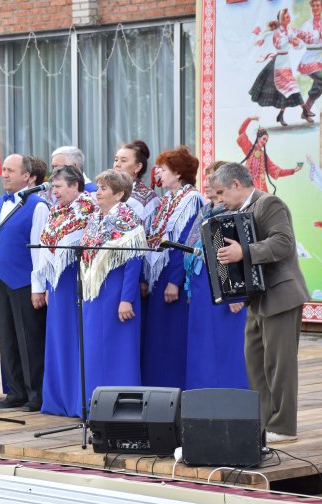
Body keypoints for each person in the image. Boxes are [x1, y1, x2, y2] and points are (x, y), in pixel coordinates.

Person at [212, 162, 309, 443]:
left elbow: (283, 243)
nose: (219, 200)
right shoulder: (240, 212)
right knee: (255, 361)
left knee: (280, 364)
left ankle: (284, 425)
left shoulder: (269, 203)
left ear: (236, 185)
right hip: (258, 298)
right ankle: (265, 421)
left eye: (221, 193)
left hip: (281, 294)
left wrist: (244, 251)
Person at [0, 154, 50, 412]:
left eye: (11, 170)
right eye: (3, 170)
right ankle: (15, 390)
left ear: (28, 176)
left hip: (24, 280)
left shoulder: (37, 205)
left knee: (29, 338)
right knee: (7, 338)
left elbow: (39, 249)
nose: (5, 175)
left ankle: (36, 393)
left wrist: (38, 286)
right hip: (0, 279)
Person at [80, 170, 147, 414]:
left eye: (104, 189)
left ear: (119, 194)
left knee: (118, 353)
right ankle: (94, 407)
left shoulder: (129, 219)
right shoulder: (96, 218)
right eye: (98, 188)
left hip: (116, 296)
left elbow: (134, 262)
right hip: (95, 295)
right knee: (94, 351)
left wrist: (126, 300)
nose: (97, 193)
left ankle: (123, 409)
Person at [33, 165, 97, 417]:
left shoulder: (88, 209)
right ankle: (58, 398)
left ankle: (76, 399)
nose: (54, 192)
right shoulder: (56, 211)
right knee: (58, 338)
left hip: (77, 281)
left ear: (75, 186)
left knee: (74, 338)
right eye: (53, 187)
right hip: (57, 283)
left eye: (59, 187)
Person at [142, 146, 203, 389]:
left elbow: (185, 242)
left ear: (178, 173)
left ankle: (174, 388)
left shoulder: (191, 200)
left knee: (172, 336)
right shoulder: (165, 200)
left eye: (164, 169)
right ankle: (157, 387)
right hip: (157, 273)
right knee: (158, 337)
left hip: (171, 275)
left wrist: (174, 281)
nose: (158, 172)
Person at [183, 162, 248, 390]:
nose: (209, 184)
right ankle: (201, 394)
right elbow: (192, 249)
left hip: (227, 287)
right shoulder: (205, 211)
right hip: (203, 285)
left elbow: (242, 254)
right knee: (202, 344)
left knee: (226, 345)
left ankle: (232, 397)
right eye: (208, 178)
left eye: (215, 181)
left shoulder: (235, 212)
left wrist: (238, 295)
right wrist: (190, 285)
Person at [249, 8, 310, 126]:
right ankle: (305, 110)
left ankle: (281, 115)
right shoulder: (277, 32)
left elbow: (302, 37)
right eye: (286, 17)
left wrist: (300, 43)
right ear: (281, 20)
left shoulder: (291, 30)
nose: (289, 18)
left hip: (286, 62)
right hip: (279, 64)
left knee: (286, 91)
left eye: (289, 16)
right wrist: (290, 40)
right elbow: (278, 44)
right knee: (292, 87)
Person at [237, 116, 303, 193]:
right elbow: (241, 132)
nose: (265, 142)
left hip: (260, 187)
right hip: (247, 185)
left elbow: (275, 171)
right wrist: (249, 119)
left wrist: (293, 170)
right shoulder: (249, 148)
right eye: (264, 139)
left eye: (266, 141)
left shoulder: (264, 157)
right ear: (258, 138)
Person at [113, 140, 160, 229]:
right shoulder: (107, 190)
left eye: (123, 161)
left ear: (138, 167)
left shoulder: (148, 197)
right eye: (116, 160)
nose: (117, 165)